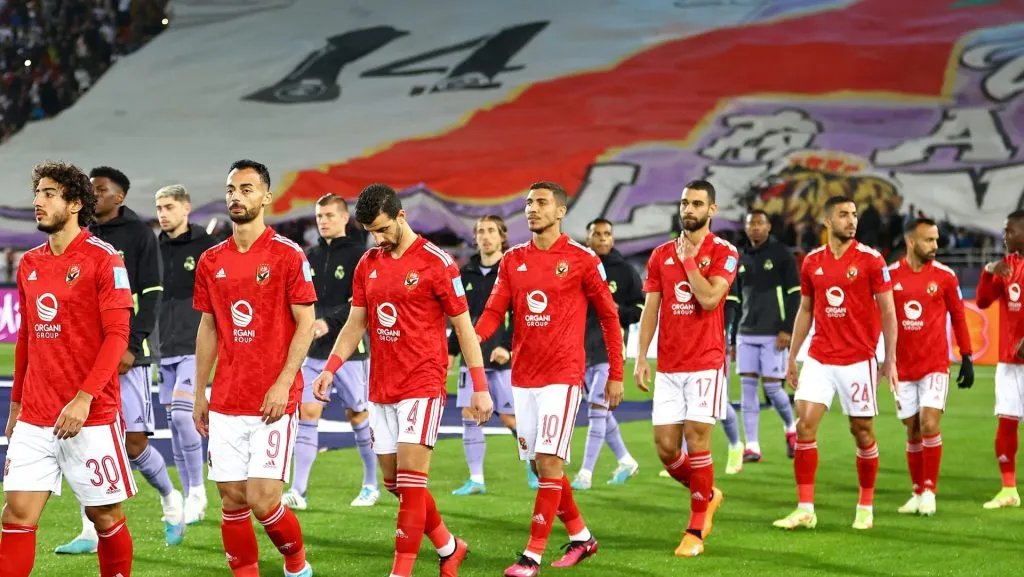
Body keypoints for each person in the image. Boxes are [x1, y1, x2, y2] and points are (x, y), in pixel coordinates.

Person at [312, 183, 493, 577]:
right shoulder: (368, 263)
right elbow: (356, 323)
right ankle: (449, 546)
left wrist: (480, 386)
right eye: (371, 232)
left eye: (382, 229)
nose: (377, 238)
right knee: (395, 484)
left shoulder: (437, 262)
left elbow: (464, 328)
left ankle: (401, 571)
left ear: (401, 216)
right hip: (381, 386)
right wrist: (330, 367)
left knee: (411, 486)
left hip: (422, 385)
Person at [475, 181, 624, 576]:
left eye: (541, 203)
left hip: (563, 376)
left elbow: (610, 317)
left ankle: (531, 556)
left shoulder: (582, 259)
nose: (532, 209)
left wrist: (615, 374)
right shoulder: (512, 260)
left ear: (560, 212)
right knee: (544, 469)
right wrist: (471, 337)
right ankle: (581, 537)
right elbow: (494, 312)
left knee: (549, 461)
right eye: (528, 203)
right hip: (523, 377)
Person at [1, 161, 135, 576]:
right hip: (36, 415)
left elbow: (117, 336)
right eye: (37, 193)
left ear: (75, 203)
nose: (38, 202)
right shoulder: (30, 263)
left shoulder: (105, 259)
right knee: (15, 515)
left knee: (105, 517)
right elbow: (27, 338)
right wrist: (16, 404)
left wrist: (83, 397)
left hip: (90, 415)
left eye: (48, 194)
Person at [192, 159, 314, 577]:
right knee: (231, 498)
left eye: (246, 189)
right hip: (226, 398)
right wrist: (199, 394)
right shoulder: (211, 260)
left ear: (266, 196)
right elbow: (208, 326)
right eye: (231, 189)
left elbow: (306, 324)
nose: (236, 197)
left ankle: (296, 564)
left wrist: (284, 383)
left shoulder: (287, 254)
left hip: (272, 400)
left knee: (263, 499)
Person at [57, 166, 185, 554]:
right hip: (84, 356)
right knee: (83, 438)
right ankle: (88, 530)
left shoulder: (139, 234)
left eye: (100, 189)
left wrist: (133, 342)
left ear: (120, 196)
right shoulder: (79, 232)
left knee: (132, 442)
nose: (93, 196)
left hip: (129, 355)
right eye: (90, 189)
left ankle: (170, 498)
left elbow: (152, 293)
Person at [774, 195, 898, 531]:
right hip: (820, 357)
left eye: (854, 214)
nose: (851, 220)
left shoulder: (872, 260)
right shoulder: (812, 261)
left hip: (859, 360)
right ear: (827, 222)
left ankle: (865, 505)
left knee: (862, 432)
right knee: (804, 426)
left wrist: (891, 359)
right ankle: (805, 508)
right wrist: (792, 357)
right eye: (843, 215)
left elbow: (888, 311)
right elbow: (806, 310)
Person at [635, 179, 735, 558]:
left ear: (712, 210)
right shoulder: (660, 254)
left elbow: (710, 299)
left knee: (697, 440)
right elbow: (651, 309)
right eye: (684, 203)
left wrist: (689, 261)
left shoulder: (724, 252)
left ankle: (694, 529)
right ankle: (708, 494)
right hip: (669, 365)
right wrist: (642, 355)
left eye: (697, 204)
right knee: (665, 449)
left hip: (706, 364)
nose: (688, 210)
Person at [283, 193, 379, 510]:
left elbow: (360, 303)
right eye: (319, 216)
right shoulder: (307, 256)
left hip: (351, 350)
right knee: (307, 414)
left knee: (357, 415)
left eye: (328, 215)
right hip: (314, 351)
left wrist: (329, 322)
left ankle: (370, 484)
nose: (323, 220)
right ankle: (299, 490)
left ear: (344, 218)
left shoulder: (359, 256)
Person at [888, 217, 974, 516]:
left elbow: (959, 316)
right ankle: (916, 492)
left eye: (936, 240)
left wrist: (967, 356)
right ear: (911, 242)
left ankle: (930, 491)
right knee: (911, 430)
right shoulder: (889, 276)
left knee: (929, 423)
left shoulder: (946, 277)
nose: (935, 246)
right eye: (929, 240)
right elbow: (879, 321)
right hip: (902, 368)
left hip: (935, 365)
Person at [448, 215, 537, 495]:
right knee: (469, 413)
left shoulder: (514, 269)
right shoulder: (466, 273)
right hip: (472, 359)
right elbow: (458, 317)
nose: (485, 236)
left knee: (511, 419)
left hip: (504, 359)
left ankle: (533, 464)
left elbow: (524, 316)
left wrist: (508, 348)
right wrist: (451, 351)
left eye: (491, 231)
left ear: (502, 236)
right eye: (480, 232)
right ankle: (476, 479)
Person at [155, 184, 217, 524]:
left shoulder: (206, 247)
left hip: (195, 346)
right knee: (175, 425)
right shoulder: (153, 248)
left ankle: (197, 492)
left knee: (183, 417)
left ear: (186, 208)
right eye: (159, 207)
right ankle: (188, 493)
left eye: (168, 206)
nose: (163, 213)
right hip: (163, 347)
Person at [571, 218, 643, 490]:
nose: (602, 239)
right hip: (581, 350)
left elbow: (640, 308)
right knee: (598, 409)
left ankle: (585, 474)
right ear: (588, 239)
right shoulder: (578, 268)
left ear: (613, 238)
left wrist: (615, 309)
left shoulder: (624, 271)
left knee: (598, 411)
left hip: (609, 350)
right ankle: (626, 460)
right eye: (596, 234)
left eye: (607, 234)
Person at [735, 209, 798, 462]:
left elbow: (795, 293)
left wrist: (787, 328)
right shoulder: (740, 257)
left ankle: (791, 428)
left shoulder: (781, 254)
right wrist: (731, 337)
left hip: (773, 332)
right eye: (751, 224)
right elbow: (736, 299)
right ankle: (752, 446)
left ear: (769, 226)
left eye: (760, 223)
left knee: (772, 389)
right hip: (745, 331)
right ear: (746, 228)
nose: (756, 228)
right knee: (747, 390)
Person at [975, 209, 1024, 509]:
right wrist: (988, 270)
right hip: (1009, 362)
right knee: (1006, 423)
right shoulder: (1007, 267)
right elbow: (982, 301)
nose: (1005, 236)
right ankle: (1008, 490)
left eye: (1010, 230)